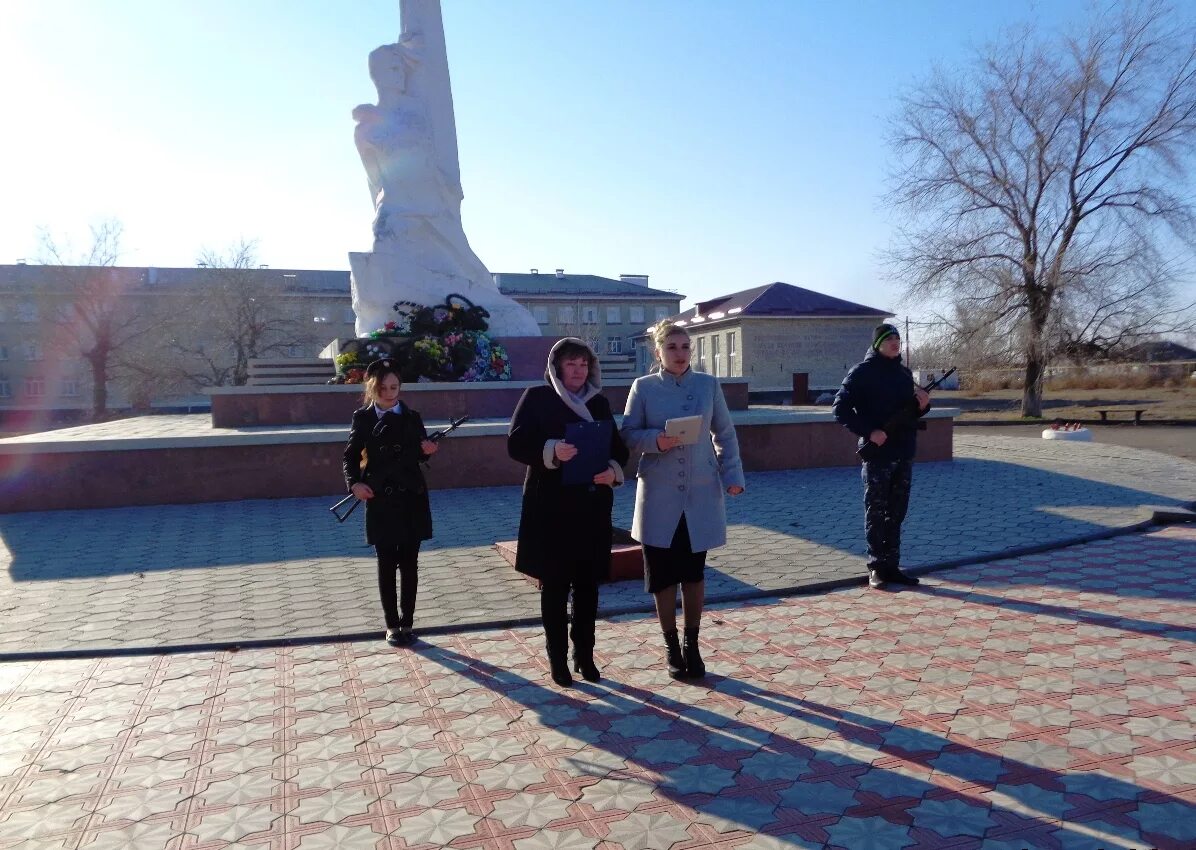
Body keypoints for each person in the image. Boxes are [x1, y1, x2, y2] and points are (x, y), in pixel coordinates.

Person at [620, 322, 745, 680]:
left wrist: (732, 475)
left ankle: (693, 643)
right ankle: (670, 644)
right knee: (661, 576)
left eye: (685, 347)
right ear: (658, 352)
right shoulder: (643, 387)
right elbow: (627, 434)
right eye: (672, 347)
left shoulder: (708, 385)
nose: (680, 353)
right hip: (659, 493)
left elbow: (724, 433)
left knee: (693, 572)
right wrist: (656, 440)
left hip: (700, 491)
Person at [508, 338, 629, 687]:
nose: (578, 371)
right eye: (571, 364)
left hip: (590, 507)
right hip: (551, 508)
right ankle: (558, 660)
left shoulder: (600, 402)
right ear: (557, 367)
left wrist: (612, 471)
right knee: (556, 588)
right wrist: (550, 449)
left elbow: (618, 450)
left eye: (583, 364)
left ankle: (585, 657)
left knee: (588, 587)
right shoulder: (536, 397)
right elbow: (515, 444)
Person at [343, 358, 439, 646]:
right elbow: (350, 456)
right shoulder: (363, 418)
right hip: (380, 498)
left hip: (411, 497)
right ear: (373, 387)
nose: (389, 392)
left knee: (410, 563)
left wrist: (428, 450)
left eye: (394, 386)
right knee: (386, 563)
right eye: (383, 387)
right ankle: (391, 625)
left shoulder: (412, 416)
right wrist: (354, 484)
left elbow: (420, 454)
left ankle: (408, 623)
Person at [832, 323, 931, 590]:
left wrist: (923, 406)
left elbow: (909, 413)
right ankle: (876, 567)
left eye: (898, 338)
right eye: (890, 339)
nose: (896, 342)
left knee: (897, 512)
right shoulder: (862, 372)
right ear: (878, 344)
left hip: (904, 451)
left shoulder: (903, 373)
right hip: (878, 454)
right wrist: (869, 431)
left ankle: (892, 565)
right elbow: (840, 408)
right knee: (876, 510)